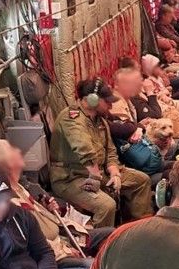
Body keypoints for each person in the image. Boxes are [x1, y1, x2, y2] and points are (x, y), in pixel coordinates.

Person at [0, 139, 112, 264]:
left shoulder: (18, 187)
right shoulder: (8, 204)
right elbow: (33, 244)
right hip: (55, 255)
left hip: (65, 236)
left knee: (114, 235)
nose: (18, 151)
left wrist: (48, 210)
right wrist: (65, 251)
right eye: (12, 150)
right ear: (8, 164)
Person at [50, 78, 152, 228]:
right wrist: (96, 176)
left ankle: (136, 229)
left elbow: (110, 151)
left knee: (141, 181)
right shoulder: (71, 119)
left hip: (99, 172)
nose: (111, 105)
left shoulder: (100, 121)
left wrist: (115, 173)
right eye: (107, 101)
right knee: (106, 206)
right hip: (71, 178)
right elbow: (84, 150)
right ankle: (101, 243)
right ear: (91, 100)